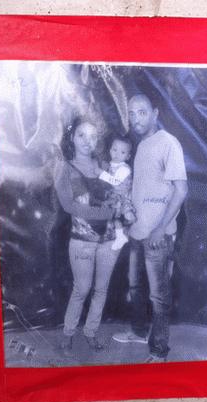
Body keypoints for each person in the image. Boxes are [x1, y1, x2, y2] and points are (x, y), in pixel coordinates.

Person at [112, 94, 188, 363]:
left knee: (158, 296)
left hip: (158, 236)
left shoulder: (169, 143)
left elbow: (181, 191)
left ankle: (158, 352)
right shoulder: (141, 145)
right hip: (137, 232)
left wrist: (160, 229)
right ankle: (139, 331)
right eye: (131, 113)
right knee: (135, 288)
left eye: (141, 112)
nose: (135, 119)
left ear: (155, 113)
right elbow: (144, 188)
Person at [54, 117, 122, 352]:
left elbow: (117, 193)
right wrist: (109, 213)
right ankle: (68, 332)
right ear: (72, 137)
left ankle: (91, 332)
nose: (87, 141)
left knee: (101, 289)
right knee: (81, 289)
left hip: (109, 240)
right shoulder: (65, 167)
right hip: (82, 242)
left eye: (93, 136)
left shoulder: (103, 166)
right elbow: (69, 206)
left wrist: (120, 205)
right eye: (82, 135)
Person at [97, 135, 137, 251]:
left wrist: (101, 173)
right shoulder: (110, 165)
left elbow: (115, 182)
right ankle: (117, 236)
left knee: (117, 217)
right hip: (112, 196)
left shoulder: (125, 168)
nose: (117, 154)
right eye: (115, 150)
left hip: (121, 197)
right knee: (112, 219)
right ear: (110, 150)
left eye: (122, 152)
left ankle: (124, 230)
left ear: (128, 156)